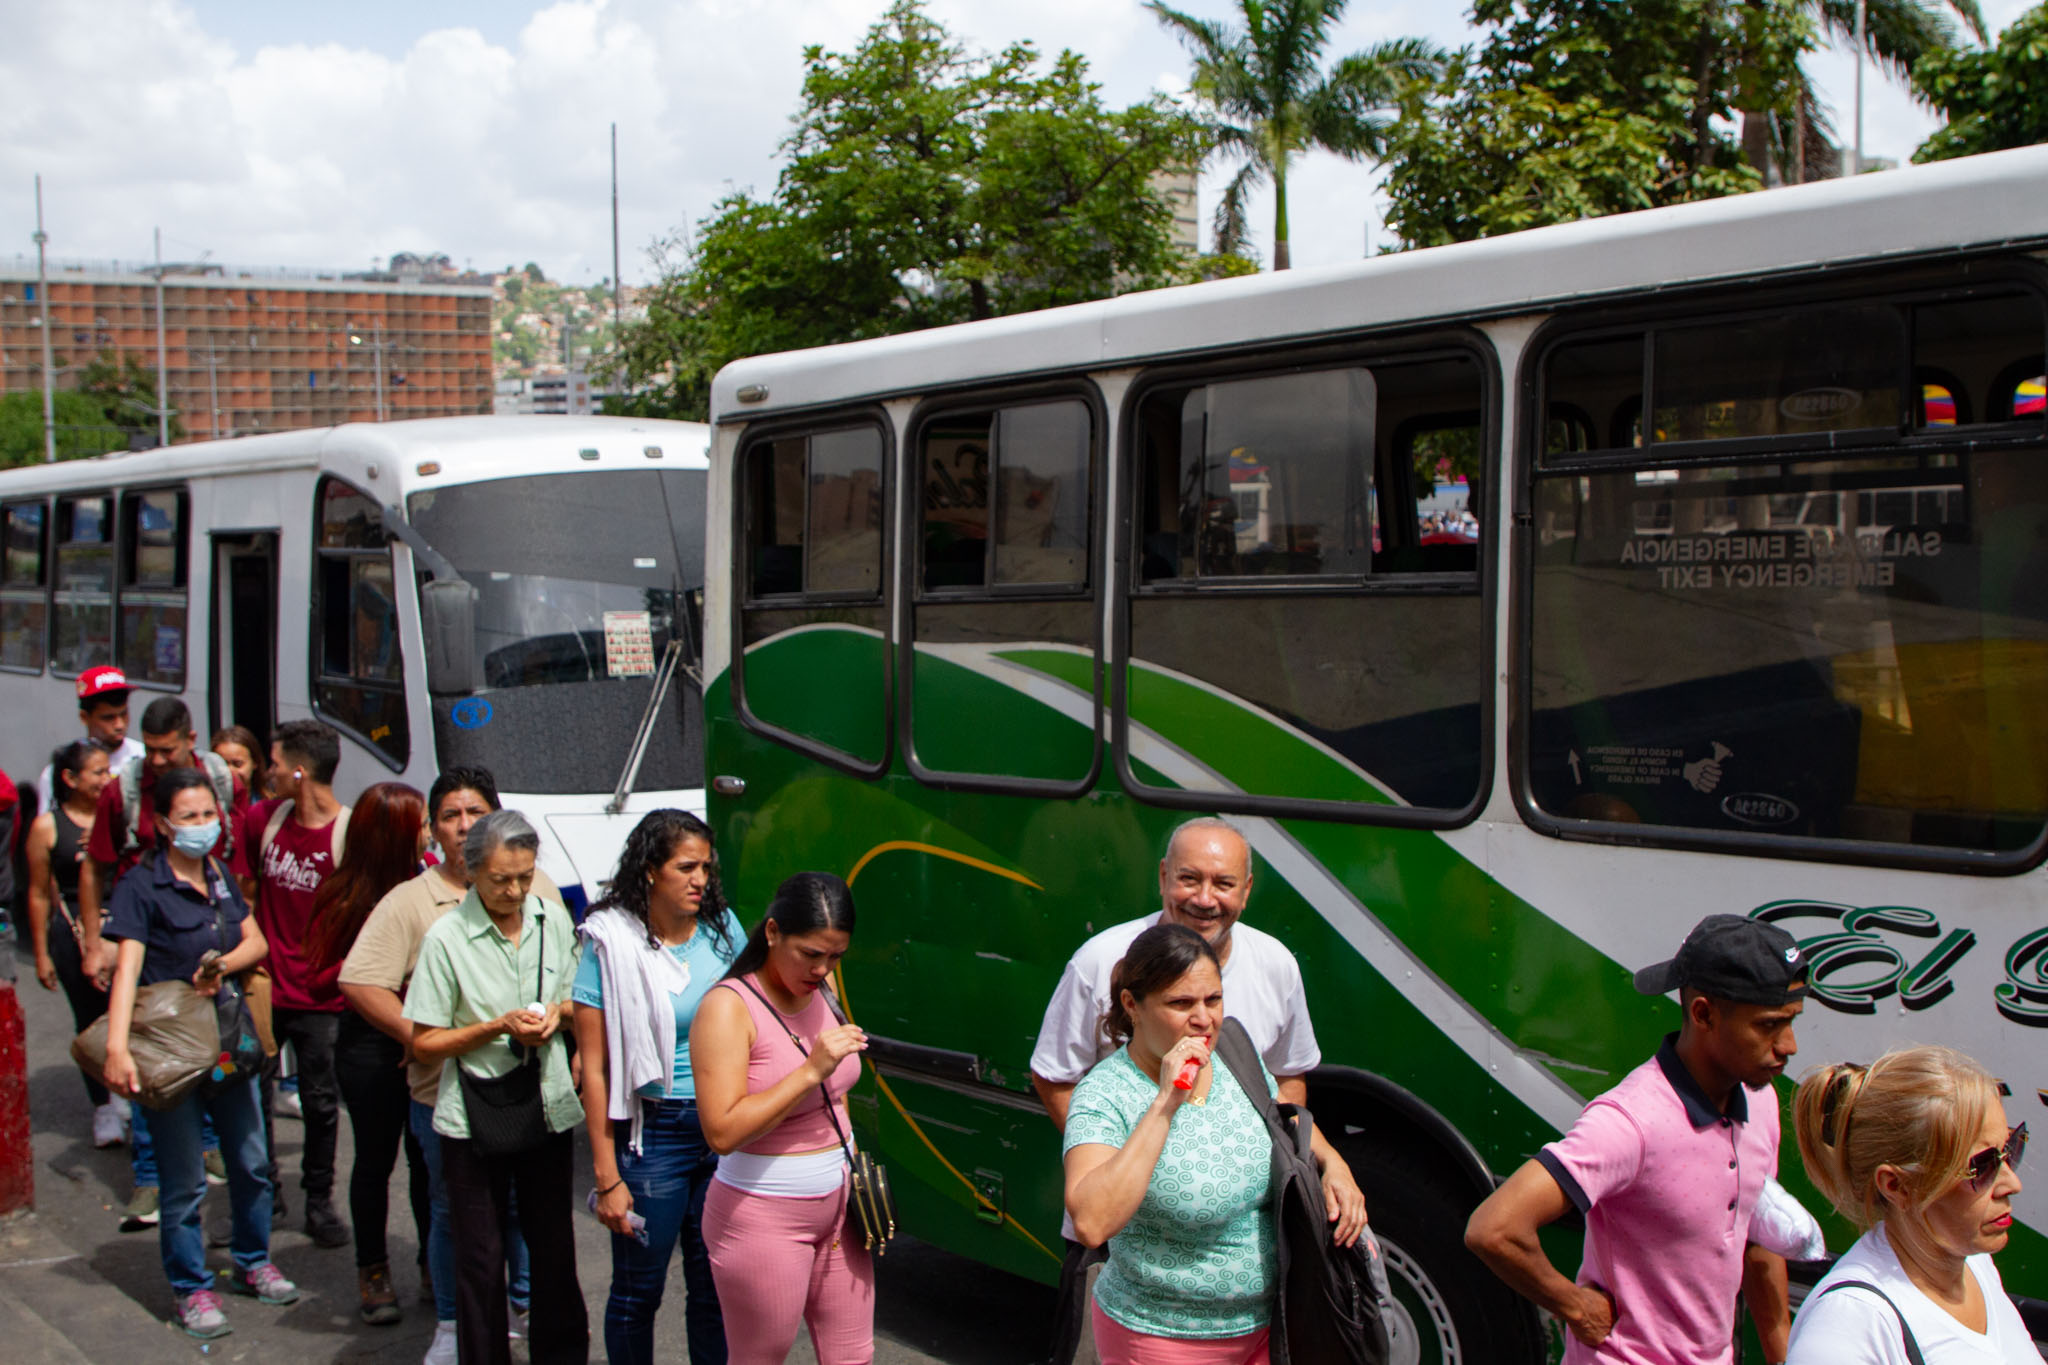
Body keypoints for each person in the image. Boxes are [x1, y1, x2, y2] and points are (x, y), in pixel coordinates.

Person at [1029, 817, 1361, 1360]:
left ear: (1246, 891)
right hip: (1155, 1320)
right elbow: (1055, 1080)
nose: (1205, 899)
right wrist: (1122, 1162)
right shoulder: (1099, 971)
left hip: (1260, 1324)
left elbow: (1282, 1096)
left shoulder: (1247, 1018)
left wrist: (1325, 1164)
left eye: (1223, 883)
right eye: (1182, 1004)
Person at [1465, 914, 1809, 1365]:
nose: (1790, 1045)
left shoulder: (1759, 1100)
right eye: (1768, 1025)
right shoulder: (1629, 1122)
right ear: (1703, 1013)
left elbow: (1757, 1237)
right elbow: (1494, 1228)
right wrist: (1575, 1307)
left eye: (1792, 1022)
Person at [339, 766, 556, 1365]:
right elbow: (359, 981)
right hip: (444, 1093)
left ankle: (519, 1305)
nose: (463, 827)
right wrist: (427, 1035)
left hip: (527, 1088)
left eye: (475, 813)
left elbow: (568, 970)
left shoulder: (538, 888)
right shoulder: (413, 902)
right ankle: (453, 1320)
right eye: (450, 816)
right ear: (433, 830)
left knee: (519, 1208)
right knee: (449, 1209)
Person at [99, 766, 298, 1339]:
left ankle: (252, 1262)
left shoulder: (217, 874)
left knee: (252, 1165)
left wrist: (221, 966)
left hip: (228, 1045)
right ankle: (192, 1289)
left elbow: (254, 941)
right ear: (162, 824)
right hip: (169, 1053)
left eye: (209, 815)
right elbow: (127, 971)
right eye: (188, 817)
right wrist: (118, 1050)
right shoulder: (141, 886)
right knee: (184, 1181)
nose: (202, 826)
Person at [405, 810, 587, 1365]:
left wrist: (557, 1016)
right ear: (469, 872)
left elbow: (579, 1001)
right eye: (500, 880)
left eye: (525, 876)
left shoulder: (550, 918)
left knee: (555, 1249)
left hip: (546, 1102)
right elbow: (424, 1043)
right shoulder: (446, 938)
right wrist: (493, 1027)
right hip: (472, 1117)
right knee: (480, 1261)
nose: (514, 890)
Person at [574, 810, 741, 1365]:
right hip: (655, 1140)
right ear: (650, 870)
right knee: (637, 1294)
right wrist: (606, 1175)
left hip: (722, 1132)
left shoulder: (725, 929)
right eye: (686, 867)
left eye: (706, 868)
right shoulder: (609, 942)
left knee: (713, 1288)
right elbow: (594, 1071)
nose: (701, 880)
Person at [690, 872, 873, 1365]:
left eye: (835, 956)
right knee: (760, 1357)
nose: (822, 969)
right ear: (772, 933)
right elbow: (722, 1131)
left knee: (853, 1356)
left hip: (842, 1208)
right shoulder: (728, 1007)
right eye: (811, 954)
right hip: (763, 1215)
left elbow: (838, 1095)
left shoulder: (823, 987)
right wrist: (811, 1071)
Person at [81, 695, 247, 1232]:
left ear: (190, 741)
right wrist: (96, 939)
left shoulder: (218, 785)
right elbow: (95, 867)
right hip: (149, 939)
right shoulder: (122, 792)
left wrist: (233, 938)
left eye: (166, 751)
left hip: (208, 945)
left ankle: (210, 1146)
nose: (154, 761)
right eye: (149, 751)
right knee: (154, 1069)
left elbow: (238, 867)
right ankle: (152, 1175)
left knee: (217, 1059)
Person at [1787, 1046, 2033, 1364]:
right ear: (1897, 1186)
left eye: (2010, 1149)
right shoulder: (1845, 1332)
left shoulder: (1974, 1264)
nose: (2013, 1184)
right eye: (1982, 1167)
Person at [306, 780, 433, 1326]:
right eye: (423, 822)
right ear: (393, 835)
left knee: (428, 1160)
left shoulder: (429, 881)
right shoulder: (343, 895)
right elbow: (318, 980)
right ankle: (373, 1269)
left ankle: (434, 1262)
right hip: (369, 1049)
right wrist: (382, 977)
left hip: (428, 1043)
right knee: (375, 1162)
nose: (431, 832)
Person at [239, 718, 353, 1249]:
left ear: (300, 772)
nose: (270, 772)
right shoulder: (264, 819)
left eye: (277, 763)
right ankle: (263, 1196)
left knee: (321, 1103)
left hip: (320, 999)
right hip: (265, 989)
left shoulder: (348, 835)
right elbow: (244, 889)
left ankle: (317, 1201)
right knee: (252, 1095)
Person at [24, 739, 125, 1146]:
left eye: (108, 771)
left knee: (130, 1017)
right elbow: (37, 893)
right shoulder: (47, 827)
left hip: (120, 930)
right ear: (70, 779)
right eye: (98, 772)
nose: (107, 779)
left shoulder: (117, 817)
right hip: (72, 935)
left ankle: (130, 1097)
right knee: (90, 1022)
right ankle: (104, 1108)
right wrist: (42, 953)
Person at [33, 665, 145, 813]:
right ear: (84, 717)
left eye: (124, 714)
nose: (119, 725)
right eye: (108, 718)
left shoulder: (145, 758)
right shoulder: (57, 771)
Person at [211, 726, 266, 798]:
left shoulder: (269, 806)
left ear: (255, 763)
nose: (230, 771)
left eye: (238, 764)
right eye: (222, 764)